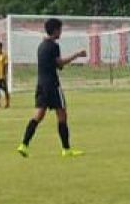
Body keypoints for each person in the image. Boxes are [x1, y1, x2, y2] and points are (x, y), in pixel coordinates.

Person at [17, 18, 86, 158]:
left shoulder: (41, 45)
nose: (61, 32)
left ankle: (24, 144)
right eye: (60, 29)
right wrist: (77, 55)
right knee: (62, 116)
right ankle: (66, 150)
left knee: (38, 116)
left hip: (41, 85)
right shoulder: (54, 46)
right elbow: (60, 63)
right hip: (53, 86)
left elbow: (55, 65)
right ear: (55, 30)